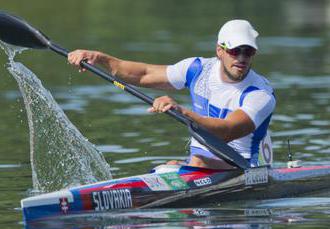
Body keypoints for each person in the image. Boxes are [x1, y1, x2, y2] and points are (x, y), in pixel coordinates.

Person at [68, 19, 276, 169]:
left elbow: (227, 131)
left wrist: (181, 111)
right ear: (219, 50)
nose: (241, 58)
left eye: (248, 52)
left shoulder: (259, 93)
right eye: (234, 50)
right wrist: (99, 57)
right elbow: (143, 74)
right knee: (166, 168)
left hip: (242, 168)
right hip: (199, 165)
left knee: (178, 168)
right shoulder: (197, 69)